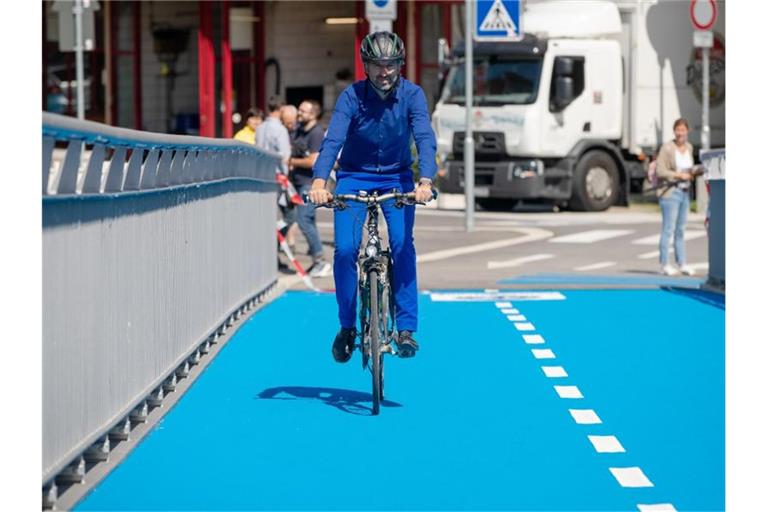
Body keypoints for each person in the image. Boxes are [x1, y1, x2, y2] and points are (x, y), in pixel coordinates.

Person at [307, 31, 437, 362]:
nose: (384, 72)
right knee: (345, 250)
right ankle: (347, 327)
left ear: (400, 65)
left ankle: (406, 329)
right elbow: (333, 140)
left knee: (402, 244)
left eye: (391, 65)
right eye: (377, 65)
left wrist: (425, 180)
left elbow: (424, 136)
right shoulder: (351, 96)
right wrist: (320, 182)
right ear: (366, 66)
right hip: (353, 176)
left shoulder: (413, 95)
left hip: (397, 177)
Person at [288, 100, 332, 278]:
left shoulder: (316, 133)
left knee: (304, 219)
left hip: (311, 184)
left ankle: (320, 260)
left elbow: (313, 161)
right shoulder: (299, 130)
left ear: (314, 114)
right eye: (299, 110)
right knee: (307, 220)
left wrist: (290, 161)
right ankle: (317, 261)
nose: (299, 113)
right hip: (297, 182)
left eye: (303, 111)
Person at [255, 98, 293, 271]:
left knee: (267, 219)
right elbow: (285, 156)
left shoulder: (260, 128)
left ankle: (269, 254)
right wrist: (286, 177)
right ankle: (274, 253)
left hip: (262, 176)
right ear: (280, 108)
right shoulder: (280, 129)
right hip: (278, 178)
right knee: (289, 216)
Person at [654, 118, 697, 276]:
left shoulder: (689, 147)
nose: (680, 133)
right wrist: (679, 175)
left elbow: (689, 168)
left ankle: (682, 263)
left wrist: (692, 173)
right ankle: (664, 264)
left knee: (681, 230)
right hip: (670, 192)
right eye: (678, 130)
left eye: (683, 130)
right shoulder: (667, 148)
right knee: (668, 229)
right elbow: (660, 171)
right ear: (674, 131)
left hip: (685, 192)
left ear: (687, 131)